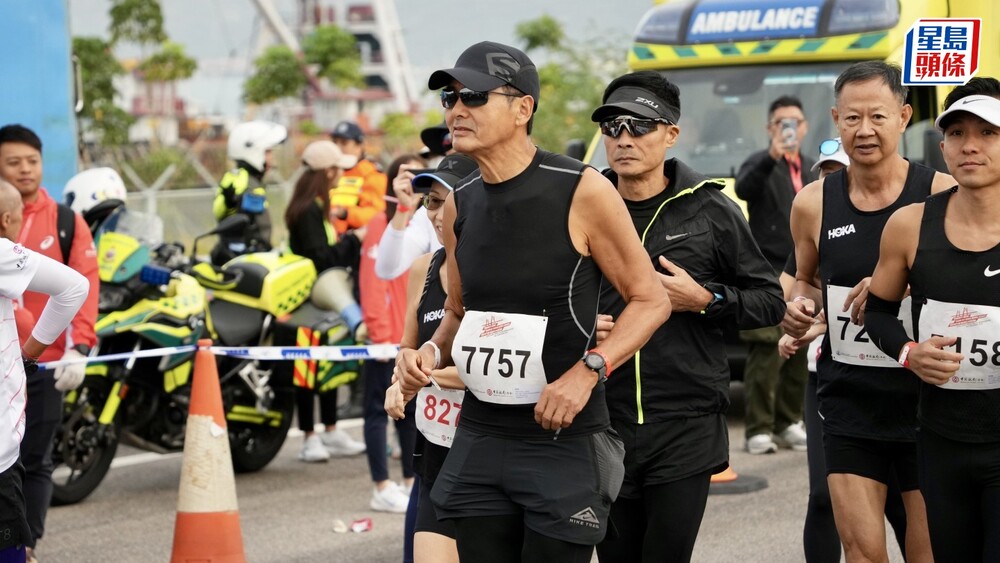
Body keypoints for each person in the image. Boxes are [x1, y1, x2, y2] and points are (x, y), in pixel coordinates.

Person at [397, 41, 671, 563]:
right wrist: (427, 355)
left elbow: (650, 299)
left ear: (523, 108)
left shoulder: (581, 189)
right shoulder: (459, 205)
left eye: (474, 96)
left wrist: (589, 369)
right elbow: (457, 310)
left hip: (560, 442)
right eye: (449, 97)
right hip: (477, 436)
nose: (457, 108)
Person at [588, 71, 785, 563]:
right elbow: (546, 297)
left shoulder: (712, 210)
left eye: (639, 126)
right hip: (601, 419)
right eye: (612, 127)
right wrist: (582, 323)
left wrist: (707, 299)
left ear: (671, 134)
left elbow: (768, 300)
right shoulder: (582, 209)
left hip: (686, 421)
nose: (623, 139)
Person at [781, 61, 954, 563]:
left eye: (877, 117)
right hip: (850, 401)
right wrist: (797, 307)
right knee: (861, 552)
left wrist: (890, 291)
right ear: (836, 119)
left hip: (925, 404)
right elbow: (805, 278)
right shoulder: (812, 203)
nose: (864, 130)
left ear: (903, 117)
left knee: (928, 553)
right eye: (852, 118)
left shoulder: (941, 194)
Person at [866, 77, 1000, 562]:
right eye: (958, 133)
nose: (970, 146)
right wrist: (909, 353)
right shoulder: (909, 224)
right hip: (941, 442)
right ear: (941, 144)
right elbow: (877, 312)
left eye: (988, 133)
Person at [0, 124, 98, 563]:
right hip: (13, 366)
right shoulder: (6, 215)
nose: (25, 170)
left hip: (43, 364)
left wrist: (79, 345)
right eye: (13, 162)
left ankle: (30, 544)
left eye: (32, 161)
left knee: (36, 461)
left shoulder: (63, 219)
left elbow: (86, 282)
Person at [384, 154, 479, 563]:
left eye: (446, 201)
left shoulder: (501, 271)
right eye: (431, 202)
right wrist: (399, 379)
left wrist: (430, 376)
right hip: (436, 449)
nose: (437, 214)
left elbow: (518, 370)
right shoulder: (423, 267)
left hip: (491, 450)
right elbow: (409, 345)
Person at [736, 95, 817, 454]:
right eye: (781, 123)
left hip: (805, 272)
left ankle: (789, 422)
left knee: (799, 344)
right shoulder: (760, 164)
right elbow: (743, 188)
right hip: (767, 272)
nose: (789, 129)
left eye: (795, 123)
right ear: (770, 128)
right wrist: (772, 154)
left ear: (805, 127)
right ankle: (758, 429)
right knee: (766, 350)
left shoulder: (815, 166)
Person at [284, 140, 368, 462]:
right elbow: (321, 258)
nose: (341, 175)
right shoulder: (308, 211)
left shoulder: (313, 206)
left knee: (328, 362)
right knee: (307, 368)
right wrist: (351, 240)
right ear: (328, 171)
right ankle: (309, 438)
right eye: (338, 169)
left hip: (319, 303)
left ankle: (330, 431)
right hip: (308, 303)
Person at [359, 151, 420, 514]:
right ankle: (381, 486)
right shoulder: (378, 224)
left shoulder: (426, 221)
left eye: (418, 173)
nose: (412, 180)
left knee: (410, 414)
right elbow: (371, 286)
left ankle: (410, 481)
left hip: (410, 337)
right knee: (376, 412)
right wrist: (381, 335)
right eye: (405, 174)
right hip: (384, 340)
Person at [211, 120, 287, 265]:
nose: (271, 157)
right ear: (253, 151)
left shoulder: (240, 178)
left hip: (243, 258)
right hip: (246, 261)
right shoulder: (245, 183)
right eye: (268, 152)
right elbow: (257, 227)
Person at [374, 155, 440, 281]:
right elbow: (385, 270)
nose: (412, 184)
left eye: (418, 178)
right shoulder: (424, 215)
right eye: (409, 177)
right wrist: (403, 208)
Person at [330, 121, 388, 235]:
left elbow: (376, 214)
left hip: (354, 242)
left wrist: (346, 214)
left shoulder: (372, 174)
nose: (338, 148)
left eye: (344, 143)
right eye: (335, 142)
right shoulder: (329, 171)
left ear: (359, 146)